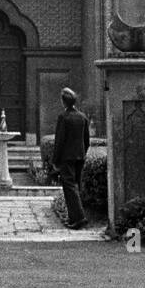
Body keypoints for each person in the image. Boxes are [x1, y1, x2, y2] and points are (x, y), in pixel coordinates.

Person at [52, 87, 90, 230]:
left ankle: (79, 218)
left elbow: (59, 141)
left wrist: (55, 161)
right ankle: (73, 218)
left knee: (69, 187)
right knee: (76, 186)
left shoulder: (64, 117)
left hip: (67, 158)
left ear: (63, 102)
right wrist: (83, 153)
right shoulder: (82, 116)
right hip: (79, 156)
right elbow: (86, 140)